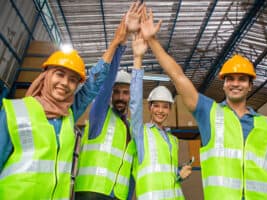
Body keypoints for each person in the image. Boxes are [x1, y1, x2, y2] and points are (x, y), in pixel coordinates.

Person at [138, 8, 267, 200]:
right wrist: (153, 42)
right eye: (230, 79)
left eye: (242, 79)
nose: (235, 83)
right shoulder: (210, 113)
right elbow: (178, 76)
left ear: (250, 86)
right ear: (223, 85)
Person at [0, 22, 128, 199]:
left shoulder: (68, 115)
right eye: (59, 74)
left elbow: (93, 85)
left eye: (73, 80)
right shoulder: (14, 112)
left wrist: (116, 44)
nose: (65, 84)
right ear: (46, 76)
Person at [74, 2, 144, 200]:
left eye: (125, 92)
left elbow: (130, 169)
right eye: (117, 92)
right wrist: (121, 44)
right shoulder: (100, 115)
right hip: (91, 193)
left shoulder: (131, 127)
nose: (121, 97)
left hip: (119, 196)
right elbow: (104, 85)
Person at [130, 32, 192, 200]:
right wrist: (138, 58)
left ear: (170, 109)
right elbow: (134, 102)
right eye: (156, 105)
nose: (160, 110)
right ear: (149, 107)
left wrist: (180, 174)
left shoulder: (173, 140)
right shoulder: (140, 132)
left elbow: (168, 175)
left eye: (165, 107)